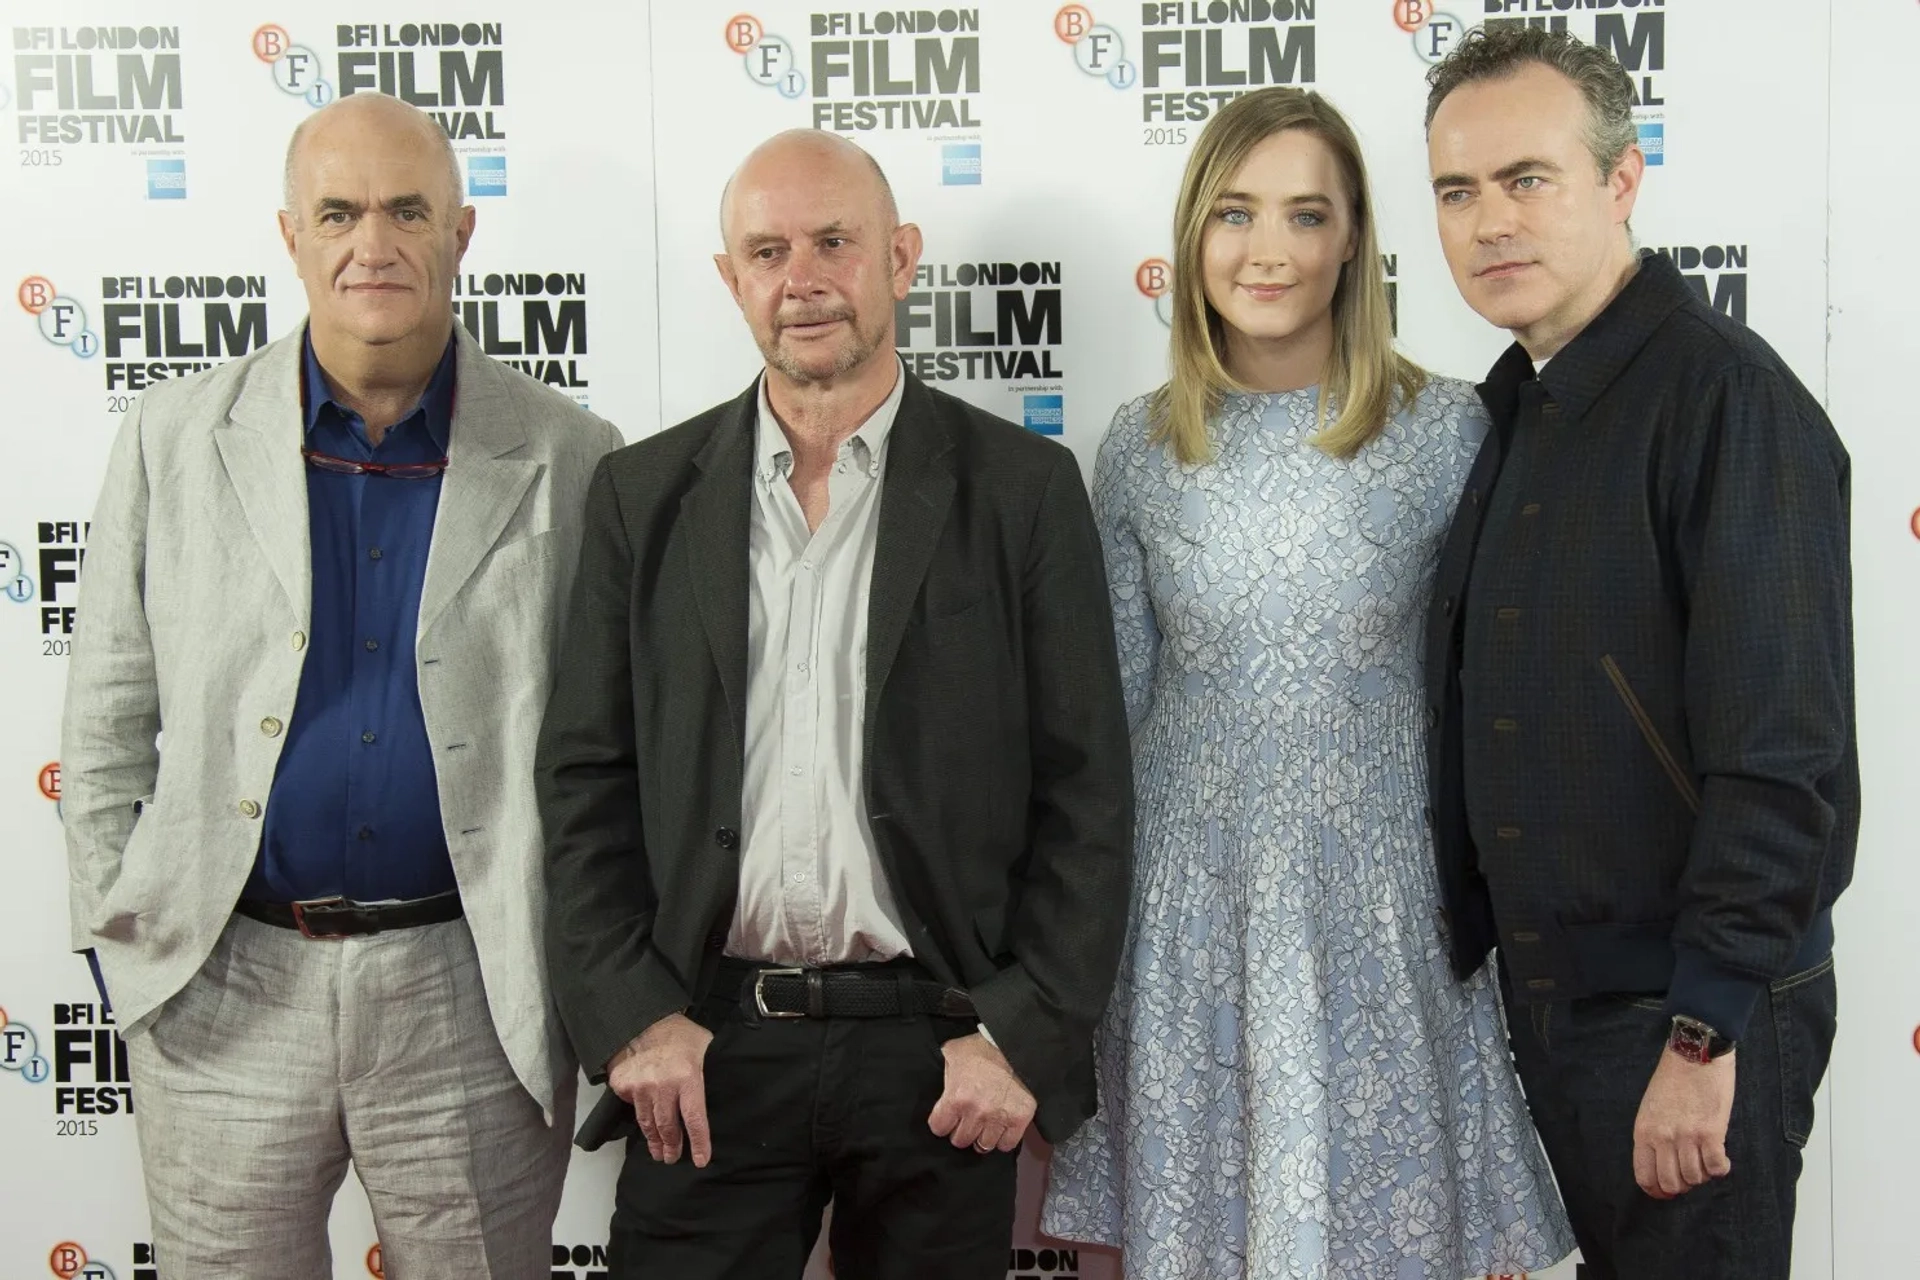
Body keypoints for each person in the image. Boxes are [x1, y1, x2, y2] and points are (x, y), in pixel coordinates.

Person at [535, 128, 1133, 1280]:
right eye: (767, 250)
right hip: (705, 1043)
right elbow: (584, 781)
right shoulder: (643, 496)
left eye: (834, 242)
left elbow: (1087, 792)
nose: (800, 278)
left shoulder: (1021, 492)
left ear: (900, 257)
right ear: (730, 278)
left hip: (940, 1048)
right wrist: (630, 1018)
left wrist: (1018, 1032)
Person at [61, 92, 621, 1277]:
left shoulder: (575, 454)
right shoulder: (171, 436)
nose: (375, 241)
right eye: (341, 210)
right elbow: (107, 723)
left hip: (470, 994)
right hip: (222, 986)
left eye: (408, 208)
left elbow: (608, 745)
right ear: (292, 235)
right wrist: (131, 947)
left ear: (461, 234)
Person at [1039, 86, 1571, 1278]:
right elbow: (1107, 719)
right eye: (1234, 212)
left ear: (1352, 239)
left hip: (1385, 905)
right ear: (1191, 237)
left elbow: (1493, 698)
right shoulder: (1135, 445)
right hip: (1186, 909)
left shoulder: (1450, 431)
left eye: (1304, 214)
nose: (1267, 249)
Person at [1422, 27, 1855, 1280]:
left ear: (1622, 180)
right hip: (1564, 1006)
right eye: (1457, 191)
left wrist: (1704, 1033)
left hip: (1688, 1017)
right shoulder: (1519, 403)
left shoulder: (1727, 400)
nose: (1490, 220)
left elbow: (1781, 758)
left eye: (1527, 179)